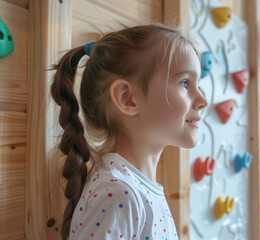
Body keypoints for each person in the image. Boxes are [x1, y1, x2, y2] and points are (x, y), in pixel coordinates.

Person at [50, 23, 208, 240]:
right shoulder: (117, 193)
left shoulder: (132, 190)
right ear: (128, 99)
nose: (203, 101)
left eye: (197, 84)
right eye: (184, 83)